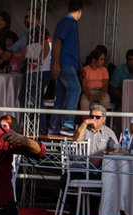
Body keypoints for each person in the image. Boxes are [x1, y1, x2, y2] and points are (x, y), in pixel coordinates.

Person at [13, 7, 51, 134]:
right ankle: (28, 125)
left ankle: (41, 127)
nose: (26, 20)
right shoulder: (31, 34)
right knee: (24, 97)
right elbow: (25, 52)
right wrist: (10, 54)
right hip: (31, 71)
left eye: (28, 17)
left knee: (36, 98)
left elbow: (46, 48)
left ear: (35, 18)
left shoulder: (42, 31)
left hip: (40, 70)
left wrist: (38, 61)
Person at [48, 0, 83, 137]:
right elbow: (57, 42)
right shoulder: (67, 22)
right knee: (75, 89)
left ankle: (54, 126)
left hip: (69, 63)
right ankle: (68, 124)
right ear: (80, 11)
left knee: (62, 95)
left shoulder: (70, 23)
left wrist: (80, 66)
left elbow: (72, 48)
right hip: (65, 63)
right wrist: (56, 63)